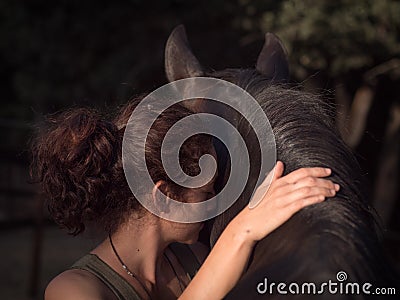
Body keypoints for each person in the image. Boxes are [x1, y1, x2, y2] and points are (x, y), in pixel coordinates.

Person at [31, 97, 339, 300]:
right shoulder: (74, 290)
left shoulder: (198, 259)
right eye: (207, 193)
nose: (215, 203)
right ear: (164, 196)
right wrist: (240, 233)